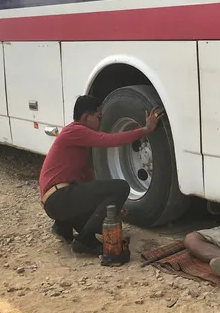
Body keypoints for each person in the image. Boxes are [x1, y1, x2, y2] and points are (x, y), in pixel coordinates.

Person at [39, 95, 163, 255]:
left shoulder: (74, 134)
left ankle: (63, 226)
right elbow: (110, 140)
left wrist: (112, 201)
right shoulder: (76, 131)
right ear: (85, 117)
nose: (101, 121)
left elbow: (85, 177)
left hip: (55, 200)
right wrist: (146, 130)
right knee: (121, 186)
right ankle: (84, 240)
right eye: (98, 117)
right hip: (59, 198)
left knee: (100, 220)